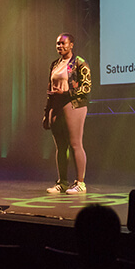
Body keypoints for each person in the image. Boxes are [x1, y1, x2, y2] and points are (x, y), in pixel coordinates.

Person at [42, 33, 91, 194]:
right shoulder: (54, 64)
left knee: (75, 144)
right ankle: (62, 182)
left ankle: (80, 183)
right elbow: (50, 90)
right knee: (60, 147)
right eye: (58, 44)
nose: (60, 46)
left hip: (73, 105)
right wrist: (46, 112)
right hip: (56, 106)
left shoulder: (79, 63)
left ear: (71, 45)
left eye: (63, 43)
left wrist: (67, 93)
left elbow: (86, 87)